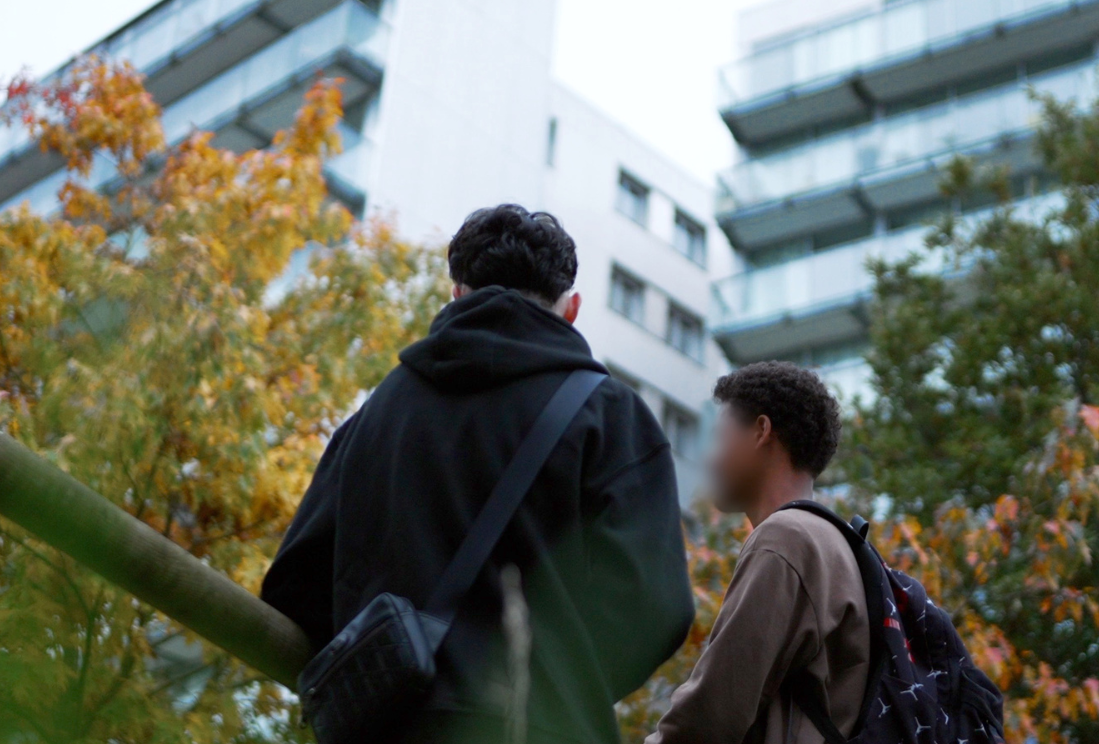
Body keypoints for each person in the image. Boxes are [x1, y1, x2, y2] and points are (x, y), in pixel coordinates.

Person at [261, 204, 694, 744]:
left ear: (457, 294)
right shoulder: (610, 415)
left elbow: (295, 586)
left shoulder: (375, 416)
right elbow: (658, 608)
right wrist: (561, 684)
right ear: (571, 309)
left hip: (388, 730)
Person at [646, 361, 864, 744]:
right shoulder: (840, 546)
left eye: (720, 437)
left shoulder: (786, 539)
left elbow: (710, 715)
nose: (710, 458)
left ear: (761, 431)